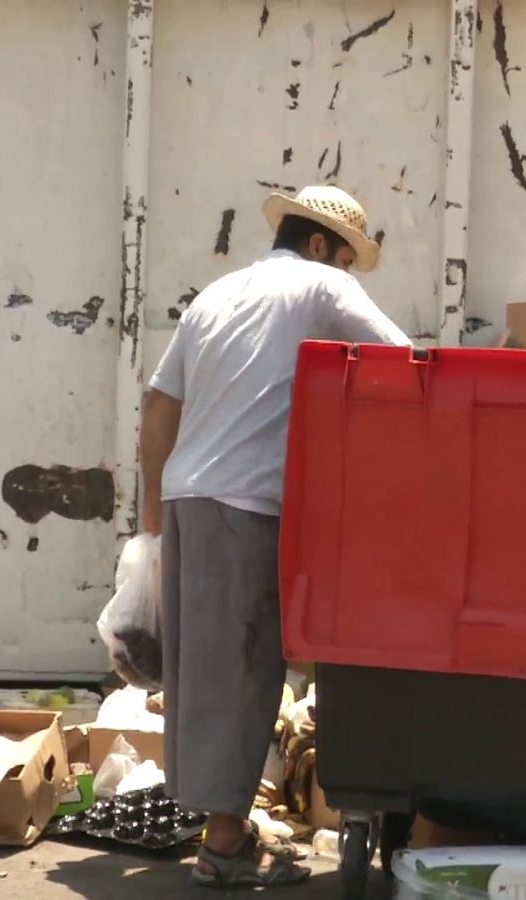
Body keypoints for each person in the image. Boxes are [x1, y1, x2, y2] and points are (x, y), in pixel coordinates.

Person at [139, 185, 409, 889]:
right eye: (346, 258)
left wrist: (148, 522)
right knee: (245, 666)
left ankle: (220, 830)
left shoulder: (217, 296)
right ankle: (224, 847)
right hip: (245, 505)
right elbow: (402, 361)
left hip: (188, 497)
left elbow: (159, 406)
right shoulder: (320, 285)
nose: (345, 272)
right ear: (320, 244)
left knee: (201, 674)